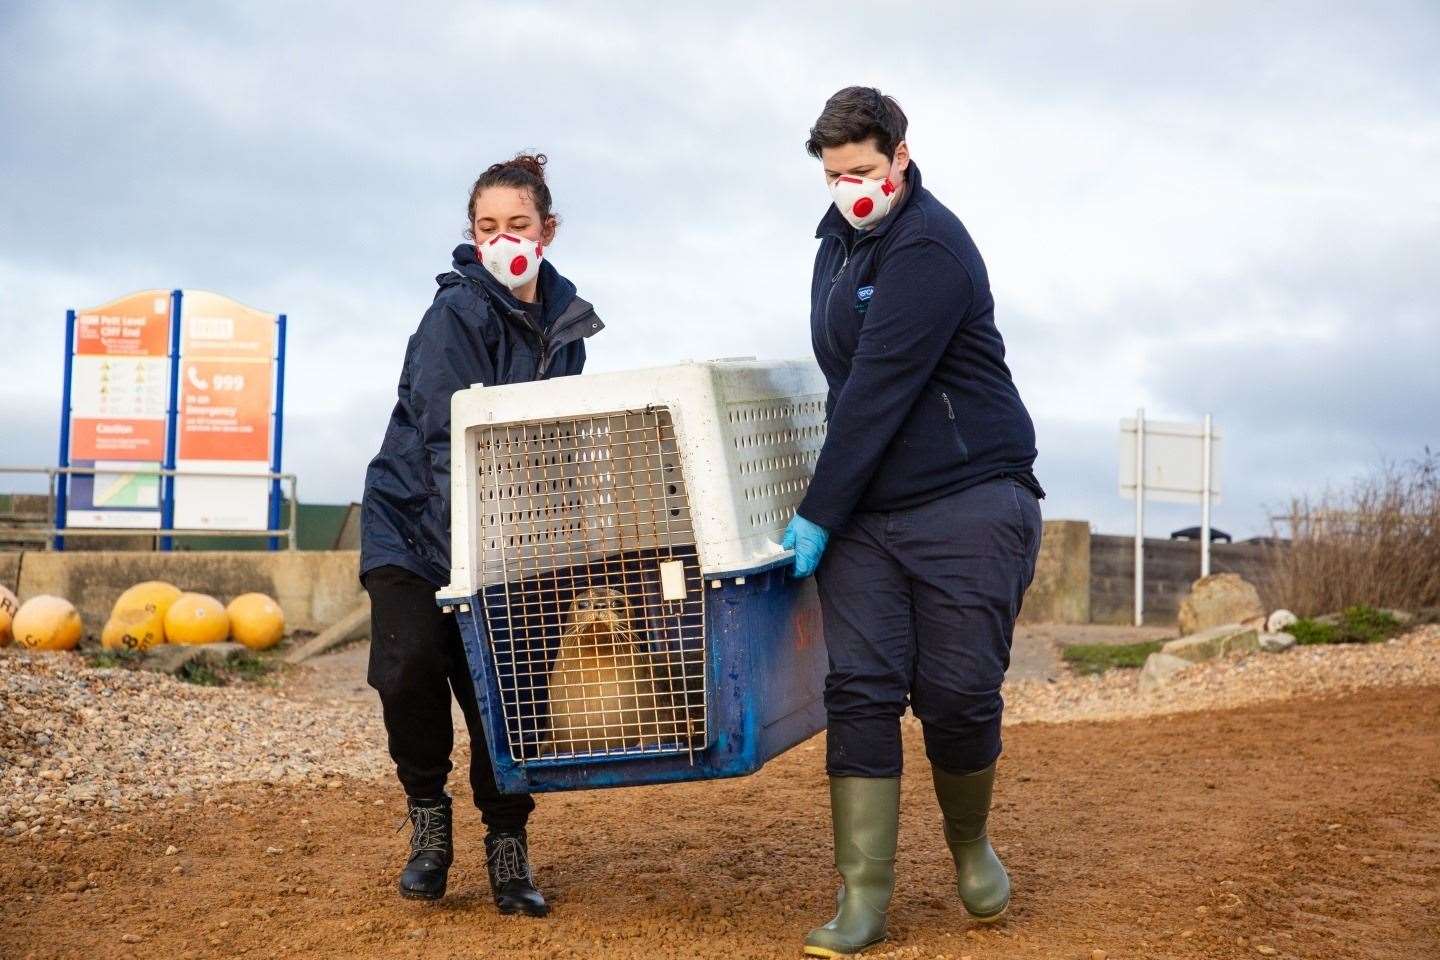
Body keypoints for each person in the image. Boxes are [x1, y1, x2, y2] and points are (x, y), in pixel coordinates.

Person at [780, 88, 1044, 957]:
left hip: (969, 499)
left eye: (862, 169)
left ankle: (972, 847)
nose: (849, 188)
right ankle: (863, 897)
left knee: (958, 694)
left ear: (900, 154)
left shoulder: (930, 243)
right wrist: (832, 508)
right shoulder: (835, 246)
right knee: (859, 689)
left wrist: (817, 509)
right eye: (833, 175)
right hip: (871, 515)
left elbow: (882, 386)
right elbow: (838, 384)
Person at [358, 153, 604, 913]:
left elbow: (557, 443)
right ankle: (428, 819)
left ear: (548, 229)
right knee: (408, 671)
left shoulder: (568, 328)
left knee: (510, 688)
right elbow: (444, 438)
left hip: (511, 535)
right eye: (488, 227)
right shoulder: (455, 313)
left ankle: (508, 843)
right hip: (414, 527)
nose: (504, 239)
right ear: (472, 234)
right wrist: (466, 557)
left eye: (518, 225)